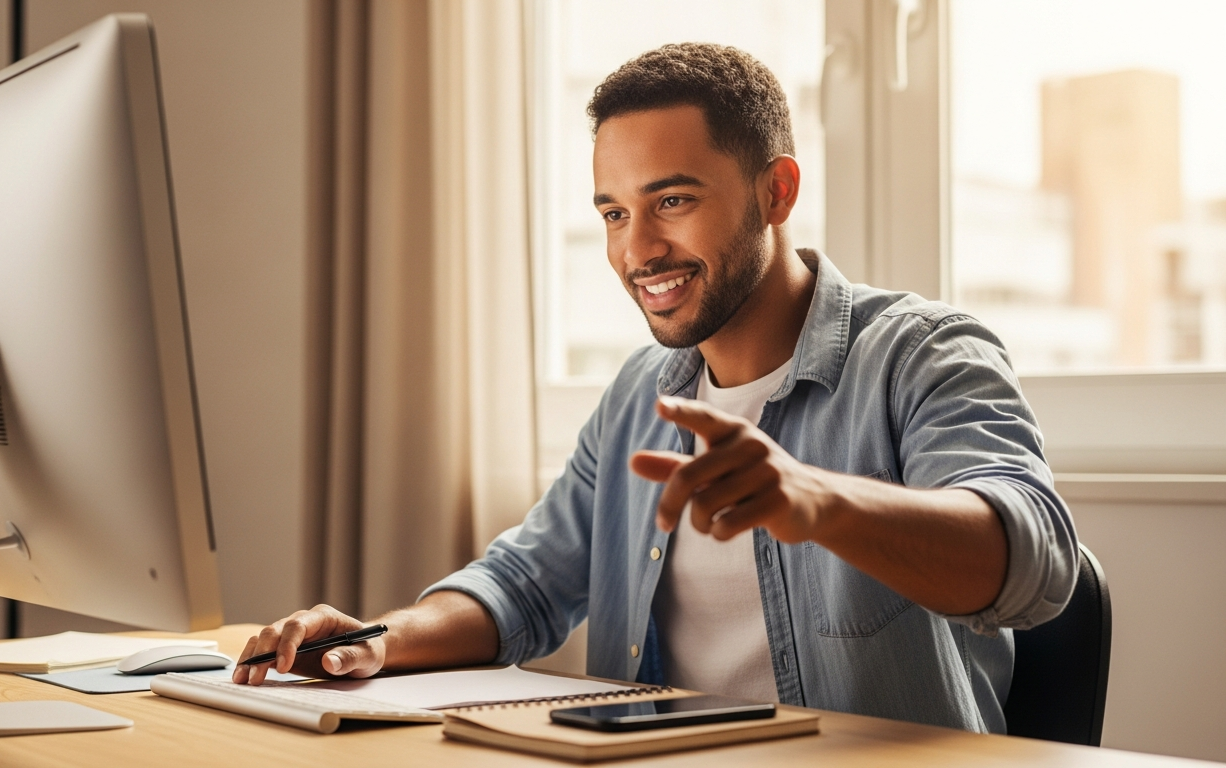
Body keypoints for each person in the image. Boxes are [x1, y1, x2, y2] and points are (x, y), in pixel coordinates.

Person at [234, 43, 1077, 733]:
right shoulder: (643, 392)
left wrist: (814, 500)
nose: (637, 250)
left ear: (775, 191)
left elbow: (1035, 562)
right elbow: (525, 585)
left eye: (671, 200)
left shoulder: (921, 353)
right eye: (613, 213)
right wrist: (378, 640)